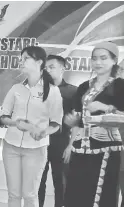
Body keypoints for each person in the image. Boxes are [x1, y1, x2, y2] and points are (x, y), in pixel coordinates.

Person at [0, 46, 63, 207]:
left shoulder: (53, 91)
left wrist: (43, 132)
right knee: (13, 194)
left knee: (30, 194)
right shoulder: (16, 88)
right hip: (10, 146)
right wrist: (15, 123)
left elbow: (56, 123)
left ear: (39, 62)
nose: (21, 61)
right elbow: (2, 117)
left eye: (26, 58)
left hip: (36, 149)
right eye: (21, 58)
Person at [63, 41, 124, 207]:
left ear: (114, 60)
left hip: (107, 148)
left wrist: (104, 107)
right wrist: (70, 140)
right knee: (76, 193)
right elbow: (78, 119)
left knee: (101, 195)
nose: (98, 63)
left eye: (103, 58)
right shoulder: (84, 86)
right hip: (80, 147)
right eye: (94, 59)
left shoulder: (120, 86)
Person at [38, 55, 77, 207]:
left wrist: (71, 145)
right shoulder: (37, 90)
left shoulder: (73, 92)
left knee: (60, 182)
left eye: (52, 67)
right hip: (40, 141)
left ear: (63, 68)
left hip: (61, 143)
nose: (48, 70)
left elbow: (77, 122)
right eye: (45, 68)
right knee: (38, 181)